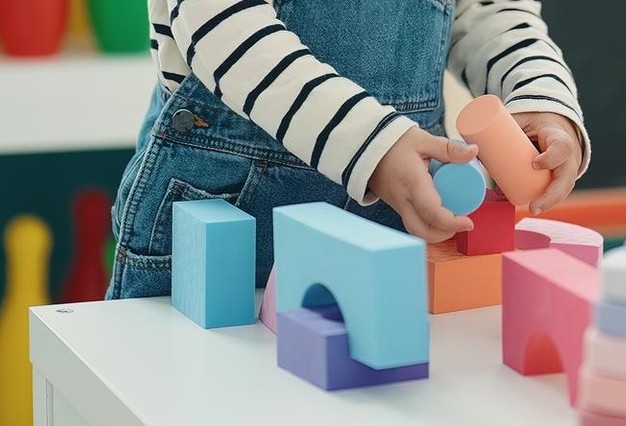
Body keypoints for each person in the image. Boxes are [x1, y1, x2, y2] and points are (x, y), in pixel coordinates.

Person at [108, 0, 591, 299]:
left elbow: (491, 10)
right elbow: (219, 24)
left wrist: (539, 96)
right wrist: (372, 148)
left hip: (392, 218)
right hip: (229, 212)